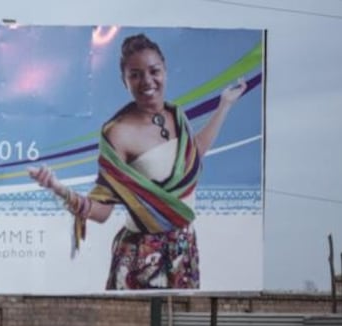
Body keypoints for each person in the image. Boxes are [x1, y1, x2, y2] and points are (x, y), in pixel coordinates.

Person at [29, 32, 248, 290]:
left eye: (154, 71)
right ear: (125, 81)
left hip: (183, 251)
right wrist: (58, 189)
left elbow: (193, 155)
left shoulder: (177, 115)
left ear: (165, 71)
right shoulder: (118, 132)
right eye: (135, 75)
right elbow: (102, 212)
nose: (147, 81)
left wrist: (224, 105)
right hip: (141, 256)